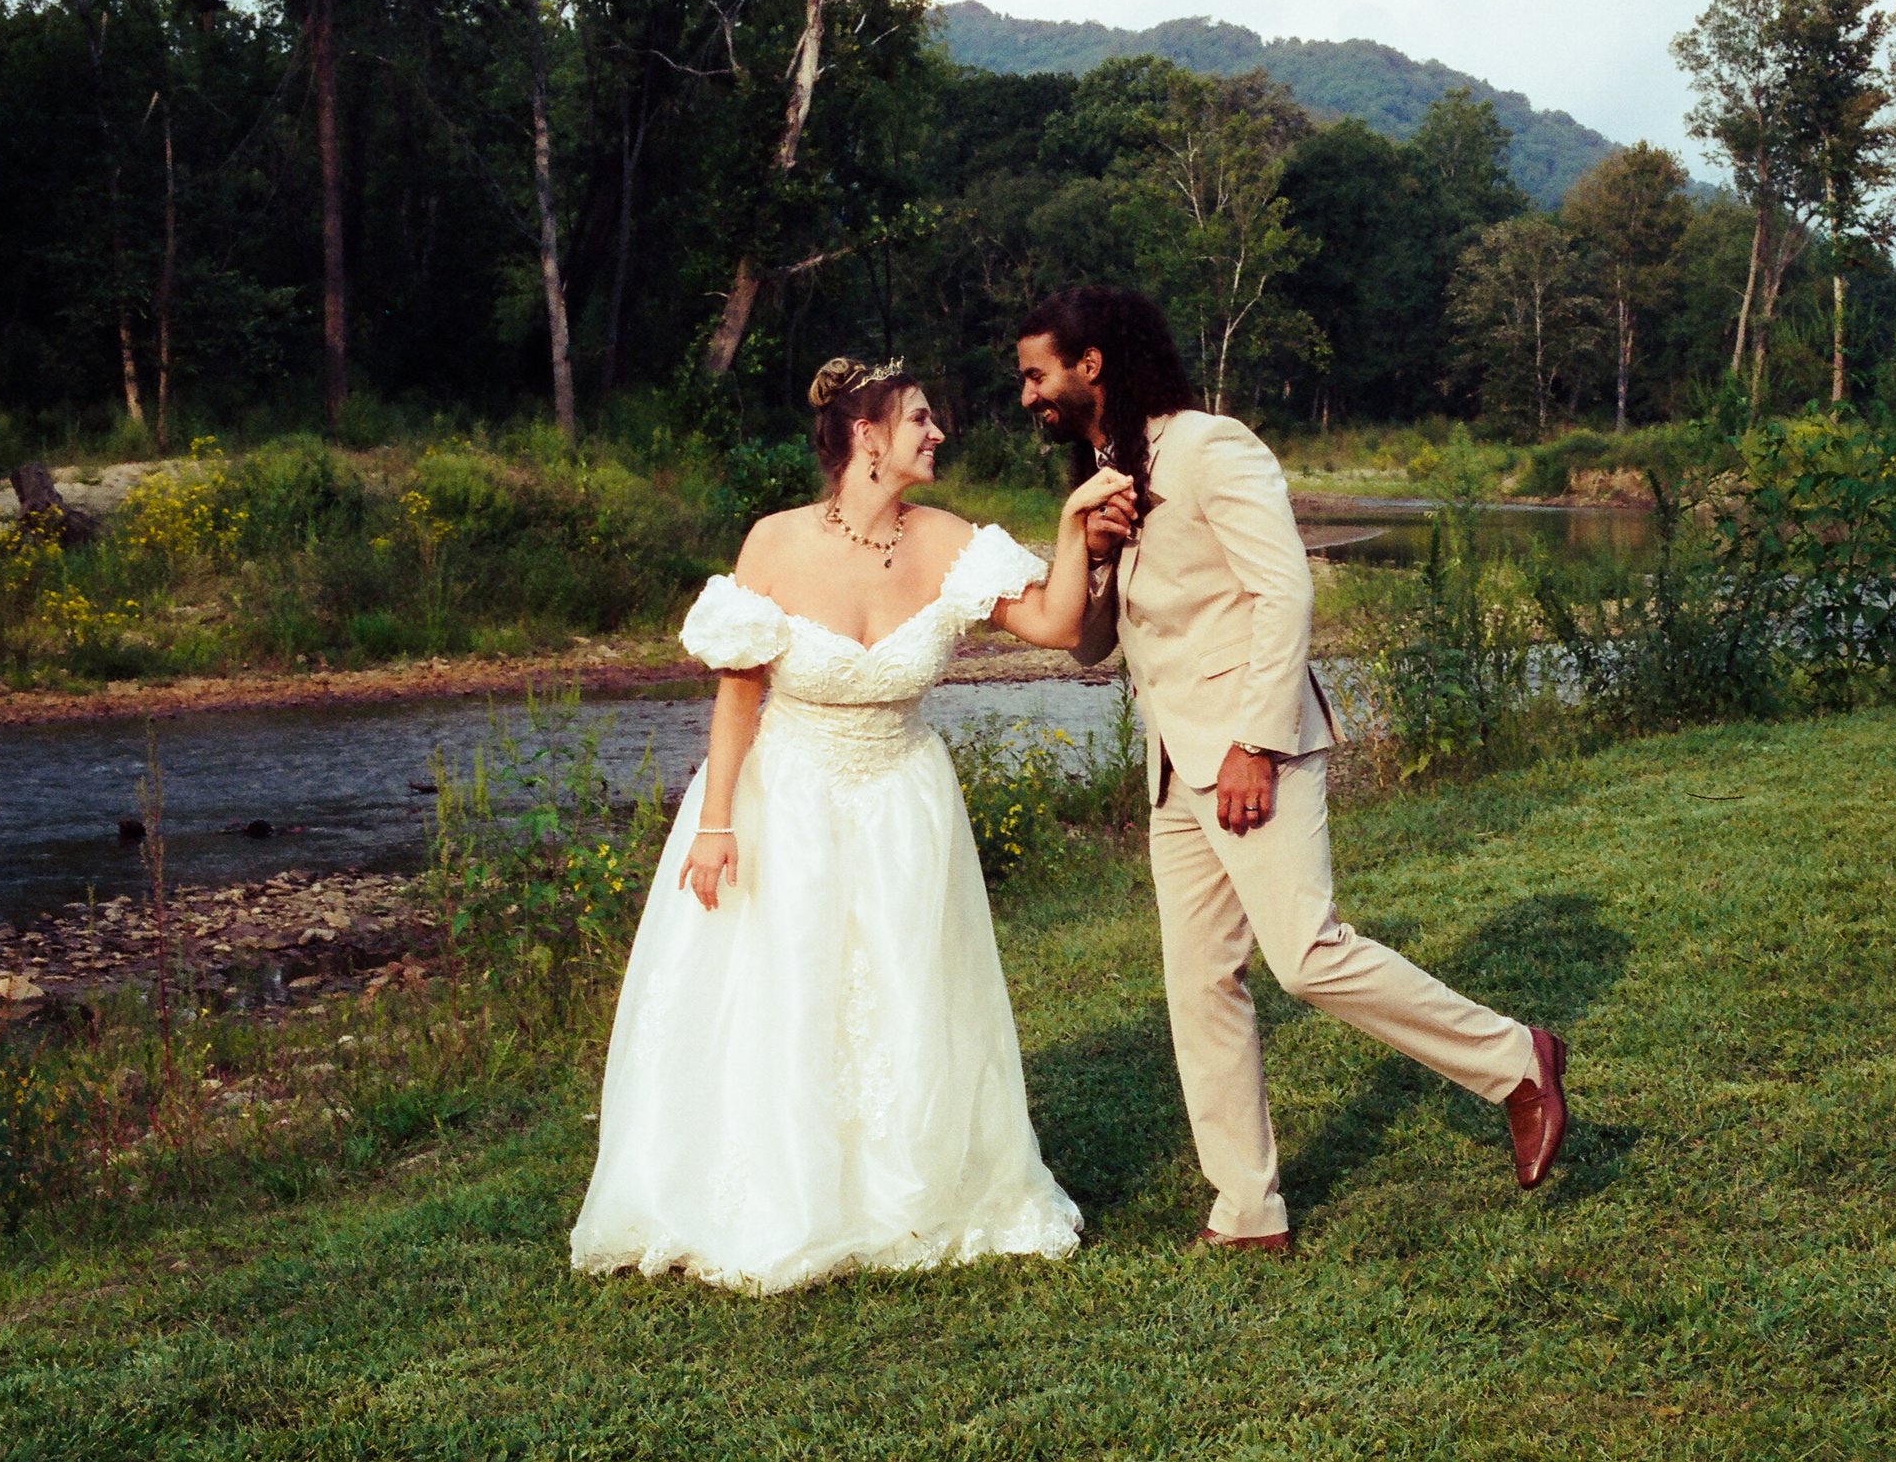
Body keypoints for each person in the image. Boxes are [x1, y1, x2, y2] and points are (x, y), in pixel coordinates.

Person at [1017, 285, 1569, 1253]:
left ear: (1090, 364)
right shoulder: (1106, 472)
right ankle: (1246, 1211)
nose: (1026, 394)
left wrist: (1255, 744)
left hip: (1245, 751)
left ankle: (1515, 1060)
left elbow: (1285, 590)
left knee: (1306, 955)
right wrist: (1094, 554)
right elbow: (1090, 648)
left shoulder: (1210, 446)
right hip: (1171, 767)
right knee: (1200, 987)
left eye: (1035, 373)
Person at [571, 357, 1133, 1293]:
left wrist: (1075, 524)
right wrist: (715, 827)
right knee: (790, 990)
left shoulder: (950, 538)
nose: (937, 432)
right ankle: (785, 1194)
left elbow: (1057, 623)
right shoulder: (777, 542)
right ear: (867, 435)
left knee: (907, 990)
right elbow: (738, 689)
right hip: (782, 793)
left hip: (904, 799)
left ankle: (909, 1189)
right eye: (920, 417)